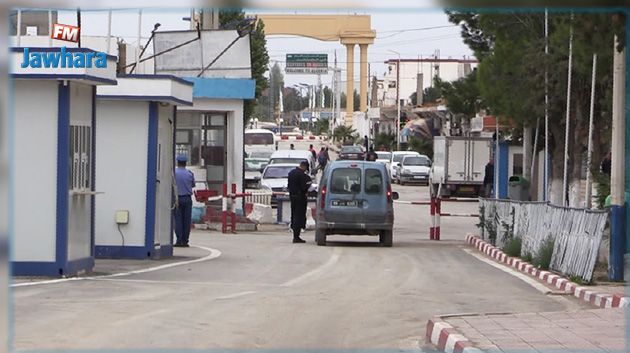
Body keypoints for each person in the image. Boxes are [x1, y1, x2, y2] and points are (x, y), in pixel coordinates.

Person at [287, 161, 312, 243]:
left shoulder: (291, 173)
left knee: (294, 215)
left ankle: (295, 234)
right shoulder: (302, 175)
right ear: (304, 167)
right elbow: (304, 188)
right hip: (300, 198)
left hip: (292, 197)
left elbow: (289, 186)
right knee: (299, 216)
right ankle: (296, 236)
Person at [174, 155, 195, 247]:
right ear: (185, 163)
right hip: (187, 198)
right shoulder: (190, 173)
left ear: (177, 162)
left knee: (178, 220)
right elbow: (193, 185)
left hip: (177, 199)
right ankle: (185, 241)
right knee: (187, 220)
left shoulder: (174, 173)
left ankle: (179, 240)